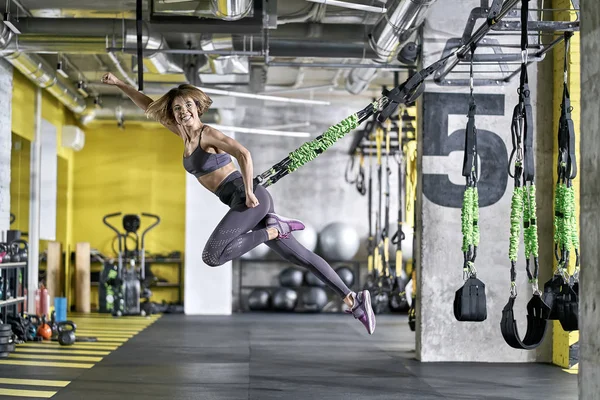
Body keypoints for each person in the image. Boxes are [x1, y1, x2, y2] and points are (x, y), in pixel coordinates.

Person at [100, 73, 376, 334]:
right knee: (299, 256)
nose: (183, 110)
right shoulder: (183, 135)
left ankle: (273, 229)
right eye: (177, 107)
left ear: (197, 107)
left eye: (187, 105)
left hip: (250, 200)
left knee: (212, 256)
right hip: (243, 202)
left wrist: (249, 192)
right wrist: (119, 83)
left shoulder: (207, 134)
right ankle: (353, 299)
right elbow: (148, 104)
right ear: (173, 113)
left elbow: (243, 154)